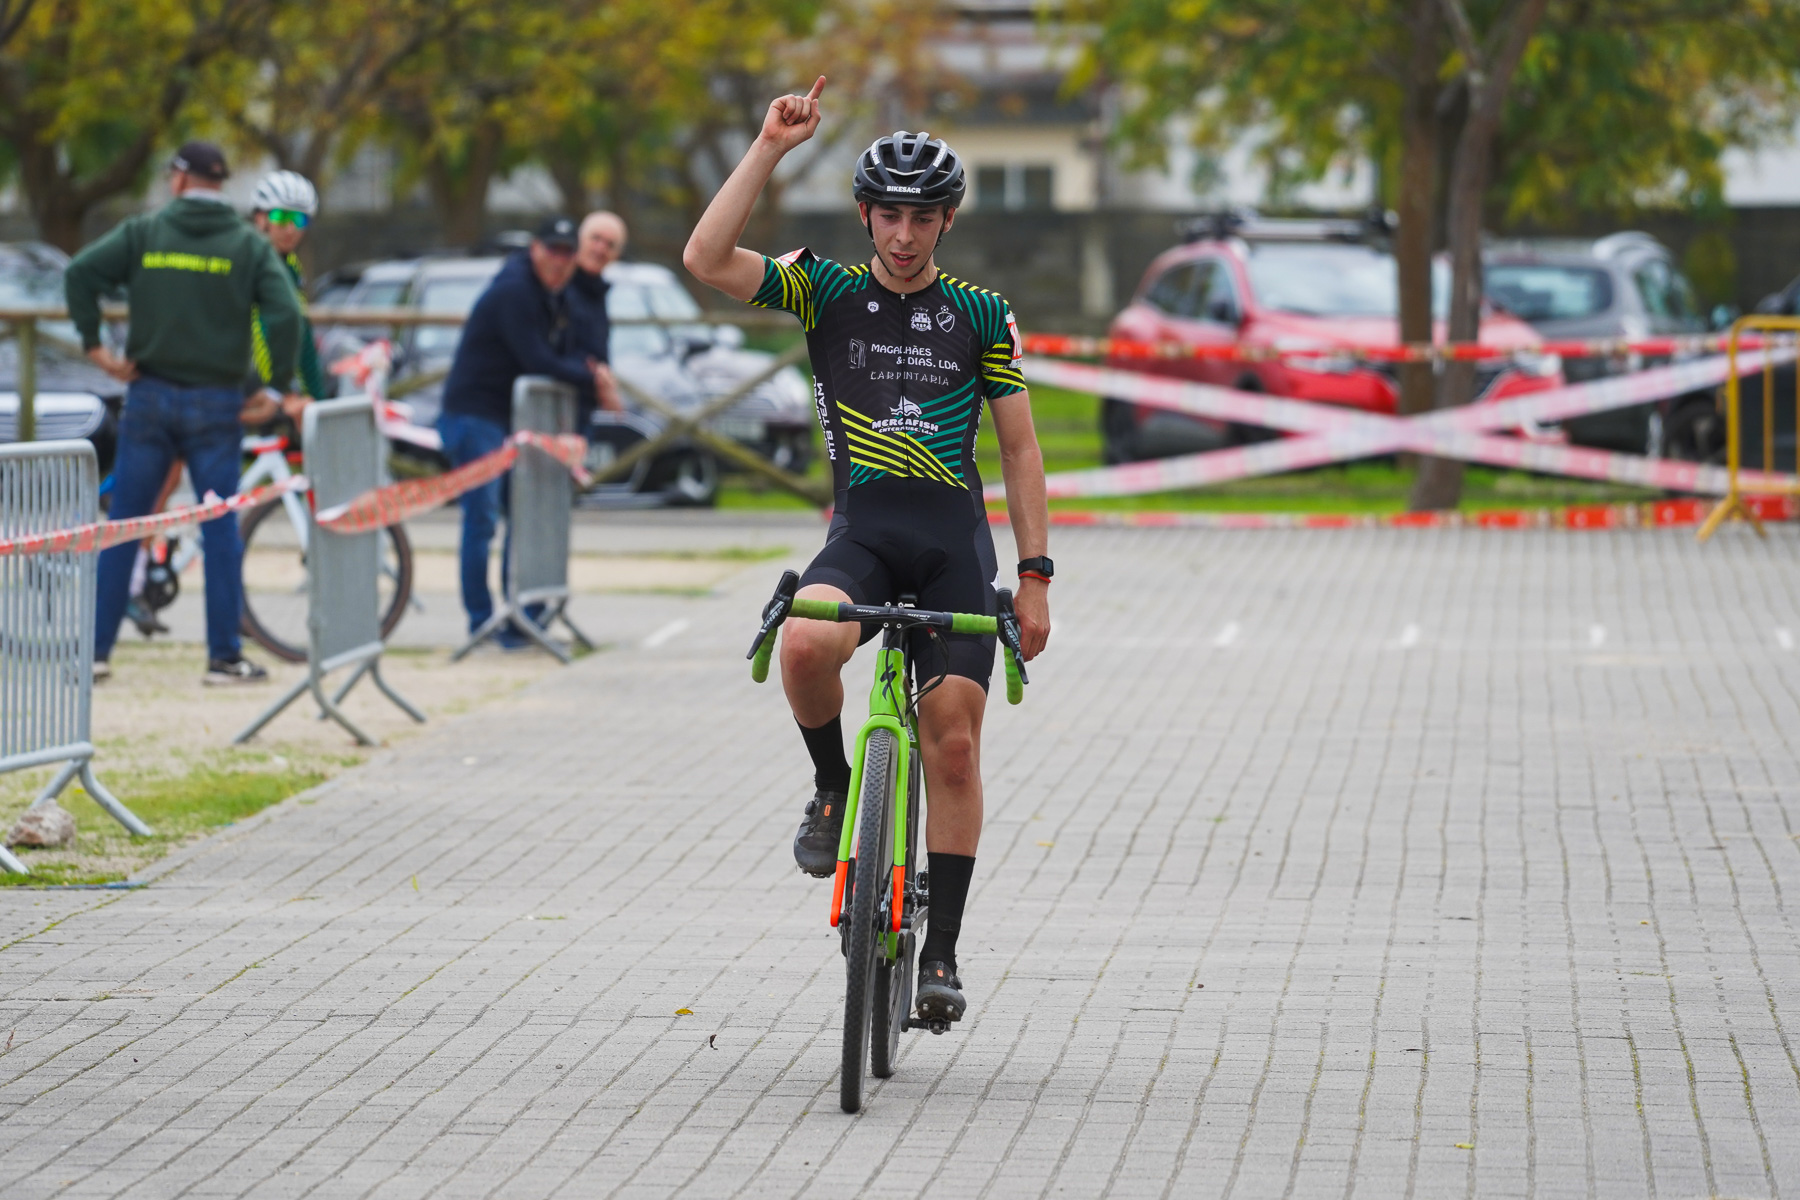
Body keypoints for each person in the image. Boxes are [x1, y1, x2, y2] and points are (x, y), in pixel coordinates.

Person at [683, 79, 1052, 1026]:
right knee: (806, 641)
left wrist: (1035, 577)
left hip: (953, 548)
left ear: (948, 220)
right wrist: (770, 146)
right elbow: (706, 258)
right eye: (890, 214)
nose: (905, 234)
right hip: (863, 538)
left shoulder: (982, 313)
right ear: (865, 215)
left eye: (923, 217)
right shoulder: (826, 289)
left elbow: (1019, 450)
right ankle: (832, 786)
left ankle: (943, 953)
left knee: (954, 744)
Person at [67, 140, 304, 685]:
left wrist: (95, 346)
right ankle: (223, 657)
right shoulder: (247, 244)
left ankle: (95, 654)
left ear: (178, 179)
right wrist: (277, 385)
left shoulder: (144, 232)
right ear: (221, 184)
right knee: (219, 528)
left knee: (125, 526)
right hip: (217, 402)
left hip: (149, 396)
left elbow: (80, 273)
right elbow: (286, 313)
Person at [438, 215, 614, 647]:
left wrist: (589, 371)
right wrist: (592, 379)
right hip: (474, 414)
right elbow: (536, 358)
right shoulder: (514, 291)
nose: (560, 260)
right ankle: (482, 622)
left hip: (507, 419)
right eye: (552, 250)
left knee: (522, 518)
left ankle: (518, 620)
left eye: (567, 252)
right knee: (481, 518)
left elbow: (568, 350)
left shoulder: (552, 293)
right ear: (535, 248)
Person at [573, 211, 627, 413]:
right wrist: (596, 375)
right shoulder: (558, 286)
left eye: (610, 244)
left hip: (586, 403)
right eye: (595, 238)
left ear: (617, 254)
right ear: (579, 239)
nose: (600, 248)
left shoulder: (597, 290)